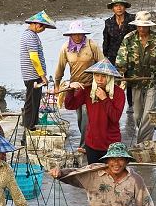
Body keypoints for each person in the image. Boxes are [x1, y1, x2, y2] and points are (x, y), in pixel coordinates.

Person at [115, 10, 156, 143]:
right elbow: (121, 59)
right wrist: (119, 76)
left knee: (148, 112)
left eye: (144, 26)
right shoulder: (128, 38)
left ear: (149, 26)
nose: (142, 29)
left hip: (152, 80)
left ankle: (143, 143)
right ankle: (146, 134)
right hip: (135, 81)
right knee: (137, 114)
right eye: (139, 26)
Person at [63, 60, 125, 163]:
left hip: (111, 144)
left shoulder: (119, 93)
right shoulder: (88, 90)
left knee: (110, 175)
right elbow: (70, 105)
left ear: (110, 77)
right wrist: (71, 89)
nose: (99, 79)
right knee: (94, 174)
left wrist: (105, 99)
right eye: (96, 75)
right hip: (92, 143)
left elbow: (115, 117)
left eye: (104, 76)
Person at [54, 20, 103, 149]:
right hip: (76, 87)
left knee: (87, 116)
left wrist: (103, 83)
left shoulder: (91, 45)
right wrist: (57, 84)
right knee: (80, 117)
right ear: (70, 35)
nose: (77, 37)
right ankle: (87, 139)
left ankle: (85, 145)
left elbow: (102, 63)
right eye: (74, 34)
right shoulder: (65, 48)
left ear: (83, 34)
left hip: (91, 86)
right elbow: (60, 67)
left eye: (79, 34)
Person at [20, 10, 55, 135]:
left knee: (34, 101)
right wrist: (42, 76)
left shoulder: (30, 35)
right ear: (36, 24)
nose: (43, 29)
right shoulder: (30, 36)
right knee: (31, 102)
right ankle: (29, 128)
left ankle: (32, 126)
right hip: (33, 76)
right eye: (42, 27)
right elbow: (34, 57)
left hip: (32, 75)